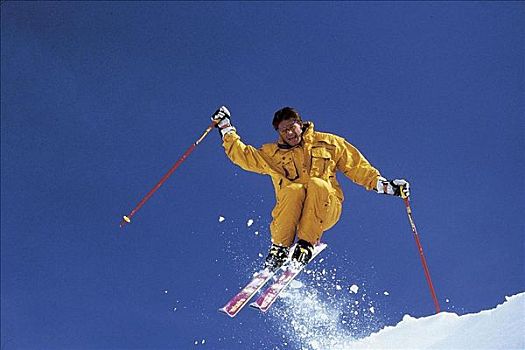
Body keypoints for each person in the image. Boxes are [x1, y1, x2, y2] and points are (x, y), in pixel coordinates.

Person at [212, 106, 409, 271]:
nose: (289, 133)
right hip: (291, 214)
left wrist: (386, 186)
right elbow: (244, 155)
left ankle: (305, 244)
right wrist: (225, 128)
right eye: (283, 130)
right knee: (292, 189)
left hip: (325, 207)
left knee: (317, 183)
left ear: (301, 124)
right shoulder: (273, 154)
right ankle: (280, 247)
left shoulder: (328, 143)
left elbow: (357, 167)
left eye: (292, 127)